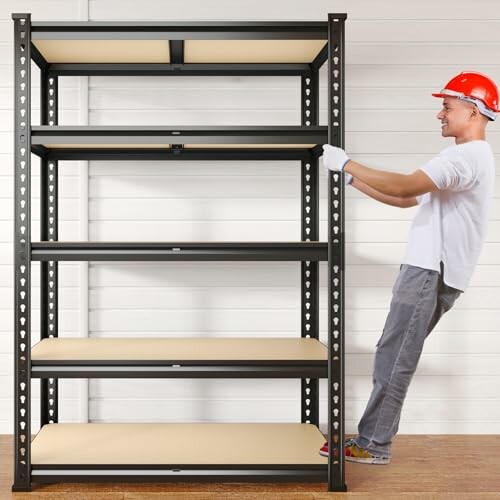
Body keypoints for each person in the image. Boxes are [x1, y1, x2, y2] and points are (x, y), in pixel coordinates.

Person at [319, 71, 498, 464]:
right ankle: (370, 439)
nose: (440, 114)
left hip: (429, 271)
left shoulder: (465, 157)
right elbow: (406, 201)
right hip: (428, 269)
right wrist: (350, 181)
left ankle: (372, 445)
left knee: (395, 356)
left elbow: (403, 186)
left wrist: (348, 163)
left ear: (473, 110)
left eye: (447, 107)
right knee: (392, 351)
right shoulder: (468, 159)